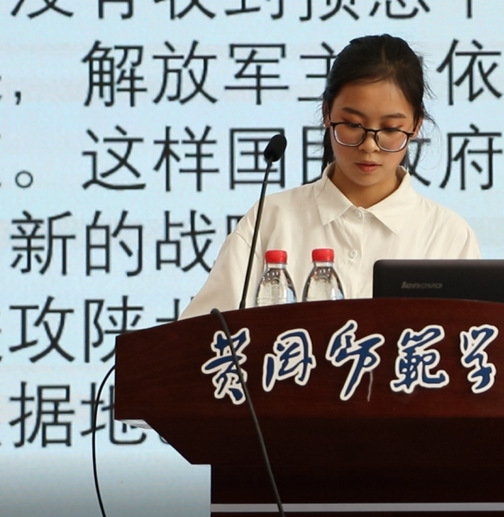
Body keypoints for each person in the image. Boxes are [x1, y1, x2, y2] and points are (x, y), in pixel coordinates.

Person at [180, 34, 480, 319]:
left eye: (390, 129)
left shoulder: (447, 235)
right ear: (327, 113)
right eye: (353, 125)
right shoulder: (270, 220)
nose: (369, 146)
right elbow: (200, 338)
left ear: (415, 126)